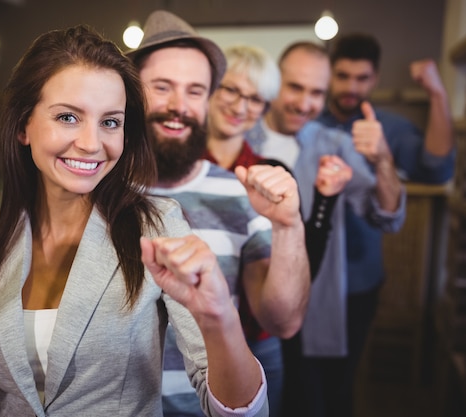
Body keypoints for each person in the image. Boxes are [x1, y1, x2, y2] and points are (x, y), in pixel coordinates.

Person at [0, 25, 268, 417]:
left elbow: (240, 411)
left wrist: (219, 318)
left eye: (110, 122)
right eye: (68, 117)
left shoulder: (156, 224)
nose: (92, 144)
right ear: (23, 125)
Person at [128, 10, 310, 417]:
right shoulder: (98, 188)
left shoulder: (239, 192)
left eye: (195, 91)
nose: (179, 106)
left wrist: (287, 225)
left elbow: (282, 321)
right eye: (162, 87)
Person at [246, 41, 406, 417]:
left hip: (311, 304)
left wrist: (383, 158)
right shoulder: (241, 134)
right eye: (295, 87)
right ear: (275, 83)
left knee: (313, 402)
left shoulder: (334, 144)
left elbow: (389, 216)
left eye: (317, 92)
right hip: (244, 307)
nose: (305, 103)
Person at [204, 44, 354, 417]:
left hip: (258, 343)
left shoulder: (271, 173)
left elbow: (303, 270)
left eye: (255, 98)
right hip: (182, 343)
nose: (241, 107)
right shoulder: (176, 167)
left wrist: (323, 199)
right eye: (232, 90)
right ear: (210, 89)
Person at [315, 32, 456, 416]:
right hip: (304, 277)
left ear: (374, 78)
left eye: (361, 78)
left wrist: (438, 95)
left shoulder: (388, 127)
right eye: (342, 76)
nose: (350, 87)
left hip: (359, 278)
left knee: (341, 385)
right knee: (302, 382)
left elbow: (438, 166)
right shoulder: (306, 118)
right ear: (330, 74)